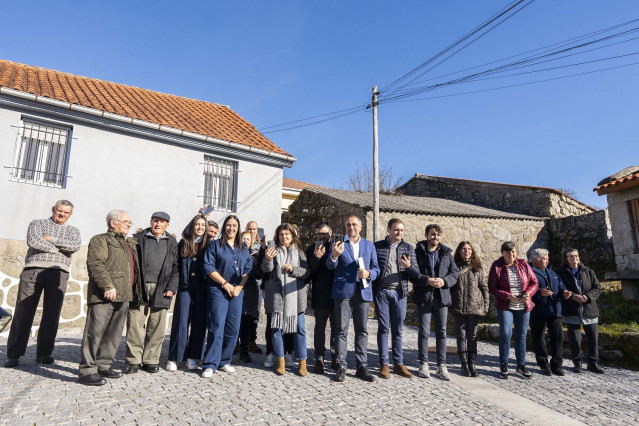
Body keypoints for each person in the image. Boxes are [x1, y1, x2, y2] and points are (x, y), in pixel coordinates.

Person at [5, 200, 81, 368]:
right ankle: (13, 354)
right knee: (23, 312)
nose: (62, 214)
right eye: (59, 210)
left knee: (52, 314)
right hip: (33, 270)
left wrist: (51, 239)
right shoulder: (37, 223)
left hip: (59, 272)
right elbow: (34, 241)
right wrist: (58, 249)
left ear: (70, 214)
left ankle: (44, 353)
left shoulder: (73, 230)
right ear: (53, 209)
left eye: (66, 213)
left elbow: (74, 246)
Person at [78, 210, 141, 386]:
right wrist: (107, 285)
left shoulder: (127, 243)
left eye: (130, 222)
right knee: (94, 332)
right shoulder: (100, 239)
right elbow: (96, 264)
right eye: (126, 221)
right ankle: (87, 371)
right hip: (104, 294)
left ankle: (103, 365)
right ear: (113, 223)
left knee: (113, 334)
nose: (129, 224)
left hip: (124, 295)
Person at [327, 215, 380, 383]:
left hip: (363, 291)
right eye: (349, 224)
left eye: (354, 224)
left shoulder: (369, 245)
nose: (351, 227)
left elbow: (376, 268)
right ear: (345, 226)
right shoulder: (338, 244)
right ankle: (341, 365)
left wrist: (369, 273)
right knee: (341, 330)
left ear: (360, 227)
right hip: (343, 292)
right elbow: (330, 266)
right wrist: (334, 255)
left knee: (362, 330)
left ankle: (361, 366)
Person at [126, 212, 179, 374]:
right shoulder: (137, 239)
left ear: (167, 225)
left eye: (162, 222)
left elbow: (177, 267)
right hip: (139, 286)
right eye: (155, 221)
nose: (158, 224)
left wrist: (172, 287)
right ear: (151, 221)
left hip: (162, 288)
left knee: (157, 325)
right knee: (135, 323)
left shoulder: (172, 243)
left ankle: (151, 360)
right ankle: (133, 360)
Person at [200, 215, 252, 378]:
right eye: (228, 225)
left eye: (234, 225)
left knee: (233, 328)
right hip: (218, 290)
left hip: (237, 292)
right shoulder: (215, 245)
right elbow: (208, 267)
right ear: (224, 227)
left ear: (238, 228)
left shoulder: (243, 248)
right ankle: (210, 363)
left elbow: (248, 269)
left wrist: (239, 287)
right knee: (216, 326)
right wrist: (225, 284)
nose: (231, 228)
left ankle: (224, 360)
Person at [373, 218, 419, 379]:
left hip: (400, 293)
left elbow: (416, 275)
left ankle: (398, 364)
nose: (399, 233)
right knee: (383, 328)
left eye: (402, 230)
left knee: (398, 330)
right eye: (396, 230)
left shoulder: (408, 248)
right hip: (382, 292)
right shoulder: (377, 246)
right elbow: (373, 268)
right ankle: (384, 364)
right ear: (389, 230)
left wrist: (409, 267)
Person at [262, 223, 310, 375]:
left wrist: (292, 269)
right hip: (276, 295)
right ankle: (280, 360)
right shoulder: (272, 251)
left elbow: (306, 272)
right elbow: (266, 270)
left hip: (296, 297)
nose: (284, 237)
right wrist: (268, 259)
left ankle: (302, 362)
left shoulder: (300, 253)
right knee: (276, 329)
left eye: (287, 234)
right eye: (281, 235)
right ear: (278, 236)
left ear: (292, 236)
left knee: (300, 329)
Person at [414, 224, 459, 380]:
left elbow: (454, 273)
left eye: (438, 235)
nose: (436, 237)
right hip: (424, 298)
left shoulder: (446, 253)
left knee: (442, 333)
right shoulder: (418, 252)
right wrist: (428, 281)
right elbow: (414, 273)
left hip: (441, 298)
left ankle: (441, 365)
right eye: (433, 234)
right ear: (426, 235)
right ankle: (423, 363)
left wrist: (444, 281)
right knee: (424, 333)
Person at [488, 241, 539, 380]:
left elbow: (534, 282)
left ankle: (521, 365)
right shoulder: (496, 266)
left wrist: (528, 293)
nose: (512, 255)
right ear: (503, 253)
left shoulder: (523, 264)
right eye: (509, 252)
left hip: (523, 305)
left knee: (521, 335)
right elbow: (492, 287)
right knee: (505, 333)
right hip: (506, 305)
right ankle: (504, 364)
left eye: (514, 252)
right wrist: (507, 295)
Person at [167, 215, 209, 371]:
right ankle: (174, 357)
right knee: (181, 323)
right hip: (185, 288)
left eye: (202, 225)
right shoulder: (184, 243)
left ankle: (193, 356)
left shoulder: (208, 244)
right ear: (192, 226)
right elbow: (176, 265)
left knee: (198, 324)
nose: (200, 227)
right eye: (197, 224)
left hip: (201, 290)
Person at [555, 248, 604, 374]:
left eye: (576, 256)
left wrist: (587, 297)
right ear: (565, 259)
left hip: (589, 309)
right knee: (575, 339)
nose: (574, 258)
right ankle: (577, 364)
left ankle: (593, 363)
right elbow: (559, 290)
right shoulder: (560, 272)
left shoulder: (588, 271)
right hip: (572, 310)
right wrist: (572, 296)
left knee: (593, 338)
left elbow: (597, 287)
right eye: (570, 256)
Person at [529, 248, 569, 376]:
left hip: (554, 310)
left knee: (558, 337)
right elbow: (526, 289)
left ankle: (556, 365)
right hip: (538, 310)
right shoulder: (530, 273)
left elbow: (561, 286)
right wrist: (540, 292)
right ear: (536, 259)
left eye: (547, 258)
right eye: (544, 258)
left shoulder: (552, 273)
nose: (547, 261)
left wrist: (565, 292)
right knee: (539, 338)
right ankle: (543, 364)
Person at [451, 241, 489, 377]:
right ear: (459, 252)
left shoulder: (477, 268)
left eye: (469, 249)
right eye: (464, 249)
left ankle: (472, 364)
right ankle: (464, 365)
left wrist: (486, 306)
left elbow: (484, 288)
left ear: (472, 252)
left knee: (472, 336)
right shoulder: (454, 267)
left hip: (474, 307)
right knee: (461, 336)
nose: (466, 251)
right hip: (458, 306)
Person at [305, 222, 336, 374]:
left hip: (337, 294)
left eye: (324, 233)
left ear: (331, 233)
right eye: (319, 234)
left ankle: (336, 357)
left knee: (337, 328)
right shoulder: (312, 249)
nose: (322, 236)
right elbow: (309, 272)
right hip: (320, 293)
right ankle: (319, 357)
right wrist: (316, 258)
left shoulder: (337, 246)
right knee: (319, 328)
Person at [238, 231, 261, 363]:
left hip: (250, 289)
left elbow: (259, 274)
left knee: (247, 322)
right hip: (237, 287)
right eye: (243, 238)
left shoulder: (255, 255)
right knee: (235, 321)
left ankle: (244, 351)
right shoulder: (235, 251)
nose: (246, 241)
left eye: (248, 239)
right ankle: (232, 347)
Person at [245, 221, 264, 354]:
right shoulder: (241, 243)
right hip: (241, 284)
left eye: (254, 229)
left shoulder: (259, 246)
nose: (251, 231)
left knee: (254, 315)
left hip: (257, 285)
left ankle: (252, 340)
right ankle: (238, 342)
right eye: (249, 229)